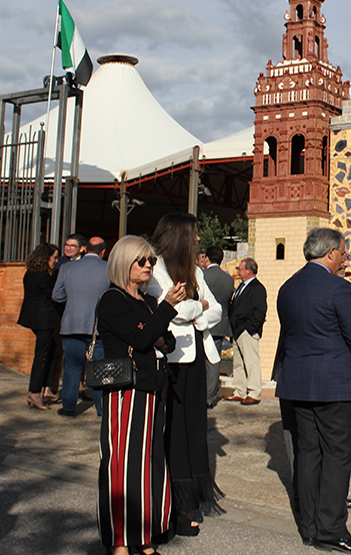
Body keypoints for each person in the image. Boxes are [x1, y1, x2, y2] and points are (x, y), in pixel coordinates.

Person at [276, 228, 351, 553]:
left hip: (298, 382)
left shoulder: (288, 287)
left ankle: (310, 528)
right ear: (330, 253)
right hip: (335, 384)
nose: (345, 260)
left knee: (308, 453)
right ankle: (332, 529)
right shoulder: (338, 288)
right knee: (337, 455)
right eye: (344, 254)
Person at [96, 236, 184, 555]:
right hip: (125, 391)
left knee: (148, 463)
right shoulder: (112, 300)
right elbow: (144, 337)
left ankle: (143, 538)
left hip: (152, 389)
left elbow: (167, 341)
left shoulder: (146, 302)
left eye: (152, 262)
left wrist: (157, 325)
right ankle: (120, 543)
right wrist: (165, 312)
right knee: (122, 466)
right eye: (142, 261)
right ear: (124, 263)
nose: (148, 267)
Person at [146, 212, 224, 536]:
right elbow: (173, 313)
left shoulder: (194, 271)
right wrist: (198, 306)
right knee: (173, 435)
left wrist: (197, 308)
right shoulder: (156, 270)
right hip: (172, 361)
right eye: (193, 234)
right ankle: (172, 507)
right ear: (179, 236)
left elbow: (218, 308)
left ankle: (189, 498)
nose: (197, 240)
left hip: (196, 360)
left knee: (194, 433)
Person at [53, 238, 110, 417]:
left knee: (71, 367)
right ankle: (101, 408)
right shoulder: (109, 269)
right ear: (103, 252)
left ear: (85, 249)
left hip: (71, 324)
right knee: (100, 368)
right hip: (97, 328)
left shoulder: (67, 268)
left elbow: (57, 295)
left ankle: (69, 407)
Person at [17, 242, 60, 411]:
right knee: (42, 355)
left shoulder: (31, 273)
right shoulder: (43, 277)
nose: (56, 261)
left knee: (53, 350)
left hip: (35, 318)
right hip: (44, 320)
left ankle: (47, 388)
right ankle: (35, 393)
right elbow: (54, 295)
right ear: (46, 257)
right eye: (54, 257)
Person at [226, 257, 266, 405]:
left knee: (251, 361)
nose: (238, 271)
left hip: (246, 331)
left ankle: (254, 392)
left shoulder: (257, 288)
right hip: (237, 330)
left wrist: (249, 329)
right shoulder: (241, 287)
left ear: (248, 271)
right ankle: (240, 390)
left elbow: (260, 311)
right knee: (238, 362)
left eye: (240, 269)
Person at [200, 246, 234, 408]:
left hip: (201, 322)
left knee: (199, 360)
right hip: (220, 324)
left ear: (207, 258)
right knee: (214, 361)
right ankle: (210, 396)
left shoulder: (202, 276)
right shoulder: (229, 280)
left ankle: (198, 394)